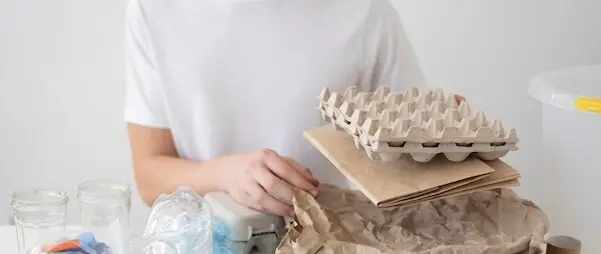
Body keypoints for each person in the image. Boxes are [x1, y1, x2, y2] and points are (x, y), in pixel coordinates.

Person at [125, 0, 425, 217]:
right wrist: (224, 175)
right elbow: (149, 176)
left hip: (329, 251)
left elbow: (413, 162)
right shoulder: (155, 9)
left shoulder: (365, 11)